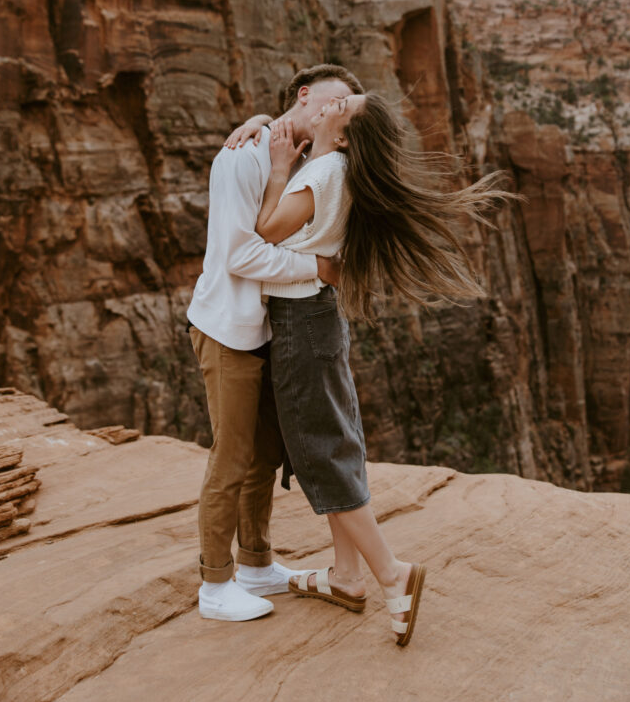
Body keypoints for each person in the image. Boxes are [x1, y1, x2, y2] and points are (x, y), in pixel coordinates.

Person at [241, 90, 514, 647]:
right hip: (319, 319)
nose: (335, 99)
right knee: (338, 442)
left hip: (301, 326)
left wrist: (275, 171)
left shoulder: (323, 172)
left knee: (320, 448)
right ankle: (346, 576)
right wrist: (268, 127)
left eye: (344, 104)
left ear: (341, 134)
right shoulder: (331, 164)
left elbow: (267, 230)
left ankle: (391, 574)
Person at [187, 64, 364, 622]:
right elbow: (241, 253)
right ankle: (215, 586)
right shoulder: (243, 154)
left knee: (265, 455)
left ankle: (257, 564)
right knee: (233, 455)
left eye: (346, 111)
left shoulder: (306, 161)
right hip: (229, 330)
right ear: (305, 95)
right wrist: (318, 267)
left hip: (272, 330)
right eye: (331, 102)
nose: (336, 114)